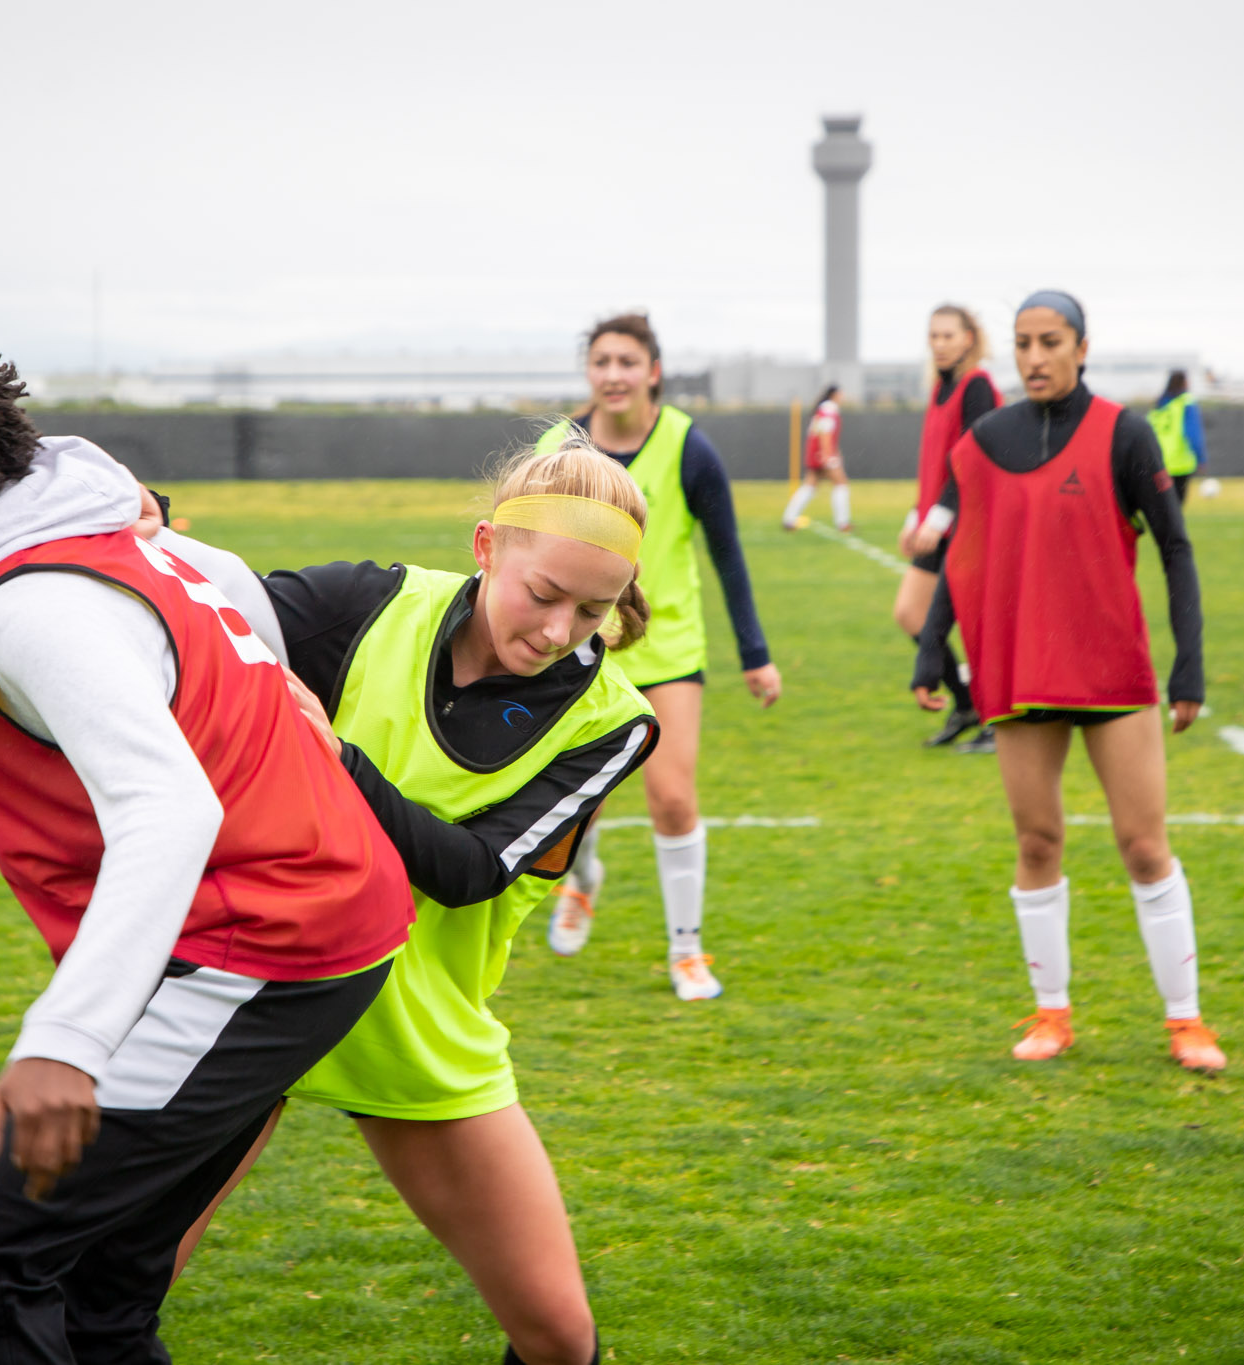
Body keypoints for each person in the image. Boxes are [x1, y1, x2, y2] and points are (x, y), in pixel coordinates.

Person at [0, 320, 415, 1362]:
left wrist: (63, 1043)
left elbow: (171, 809)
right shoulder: (108, 543)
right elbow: (241, 597)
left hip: (262, 948)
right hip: (317, 929)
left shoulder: (26, 605)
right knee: (97, 1292)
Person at [156, 436, 659, 1365]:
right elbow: (216, 605)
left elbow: (468, 868)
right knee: (113, 1285)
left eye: (591, 611)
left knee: (557, 1333)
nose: (557, 629)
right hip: (259, 986)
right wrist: (142, 524)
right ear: (486, 547)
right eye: (542, 594)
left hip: (417, 1022)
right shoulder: (373, 602)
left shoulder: (615, 721)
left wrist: (336, 758)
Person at [910, 291, 1225, 1075]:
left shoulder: (1124, 432)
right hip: (1018, 671)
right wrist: (930, 648)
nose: (1035, 357)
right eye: (1023, 343)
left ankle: (1187, 1022)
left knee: (1144, 845)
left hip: (1113, 672)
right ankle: (1052, 1014)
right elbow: (964, 552)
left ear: (1082, 347)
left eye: (1051, 341)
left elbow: (1175, 550)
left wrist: (1189, 662)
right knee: (1037, 840)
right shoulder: (985, 440)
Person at [538, 313, 782, 1002]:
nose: (613, 374)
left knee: (672, 797)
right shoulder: (562, 449)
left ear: (653, 371)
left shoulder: (688, 448)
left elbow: (727, 555)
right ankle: (583, 883)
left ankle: (687, 950)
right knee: (574, 805)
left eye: (627, 361)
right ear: (589, 372)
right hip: (577, 649)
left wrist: (755, 655)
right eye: (601, 361)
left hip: (669, 648)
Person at [896, 304, 1000, 751]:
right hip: (939, 522)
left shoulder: (977, 386)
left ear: (969, 339)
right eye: (933, 336)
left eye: (948, 336)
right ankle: (967, 704)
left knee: (979, 625)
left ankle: (998, 720)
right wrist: (916, 518)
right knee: (911, 614)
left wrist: (937, 519)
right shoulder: (941, 387)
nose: (939, 344)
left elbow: (972, 463)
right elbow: (935, 466)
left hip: (971, 524)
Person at [780, 383, 852, 532]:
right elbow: (825, 433)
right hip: (822, 454)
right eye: (841, 394)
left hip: (815, 453)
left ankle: (789, 518)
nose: (843, 397)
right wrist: (827, 455)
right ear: (834, 395)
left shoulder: (822, 409)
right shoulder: (829, 409)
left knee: (809, 486)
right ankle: (843, 523)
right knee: (841, 483)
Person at [1148, 368, 1208, 504]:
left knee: (1160, 509)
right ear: (1184, 382)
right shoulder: (1185, 402)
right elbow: (1193, 434)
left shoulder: (1158, 406)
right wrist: (1201, 458)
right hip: (1178, 464)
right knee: (1175, 511)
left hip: (1157, 463)